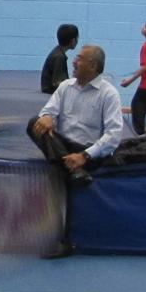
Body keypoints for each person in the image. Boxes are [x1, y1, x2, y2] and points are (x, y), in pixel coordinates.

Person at [30, 44, 125, 189]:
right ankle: (75, 170)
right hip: (62, 143)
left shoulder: (109, 94)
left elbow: (113, 135)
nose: (74, 62)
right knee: (34, 123)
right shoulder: (65, 87)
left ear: (92, 66)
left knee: (57, 148)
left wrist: (84, 155)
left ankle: (71, 166)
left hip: (87, 149)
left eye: (79, 59)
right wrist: (47, 116)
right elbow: (47, 111)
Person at [41, 23, 79, 95]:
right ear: (73, 40)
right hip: (49, 93)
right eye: (77, 38)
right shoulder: (59, 57)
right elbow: (57, 83)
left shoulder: (58, 52)